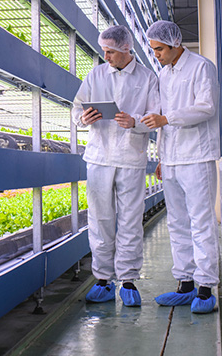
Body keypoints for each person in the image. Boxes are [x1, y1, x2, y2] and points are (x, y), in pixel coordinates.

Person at [72, 25, 160, 307]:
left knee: (131, 220)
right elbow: (76, 108)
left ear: (125, 50)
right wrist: (83, 119)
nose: (105, 56)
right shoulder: (96, 75)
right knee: (99, 219)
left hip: (131, 159)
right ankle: (103, 279)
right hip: (99, 157)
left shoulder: (147, 78)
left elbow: (155, 115)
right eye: (104, 51)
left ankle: (129, 279)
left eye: (110, 51)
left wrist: (134, 122)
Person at [139, 20, 220, 314]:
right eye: (154, 50)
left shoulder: (201, 67)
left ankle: (206, 288)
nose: (156, 54)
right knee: (177, 223)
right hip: (171, 160)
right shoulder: (164, 74)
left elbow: (207, 107)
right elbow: (160, 120)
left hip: (197, 156)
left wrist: (167, 118)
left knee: (201, 222)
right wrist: (161, 156)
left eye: (159, 49)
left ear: (174, 44)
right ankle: (185, 284)